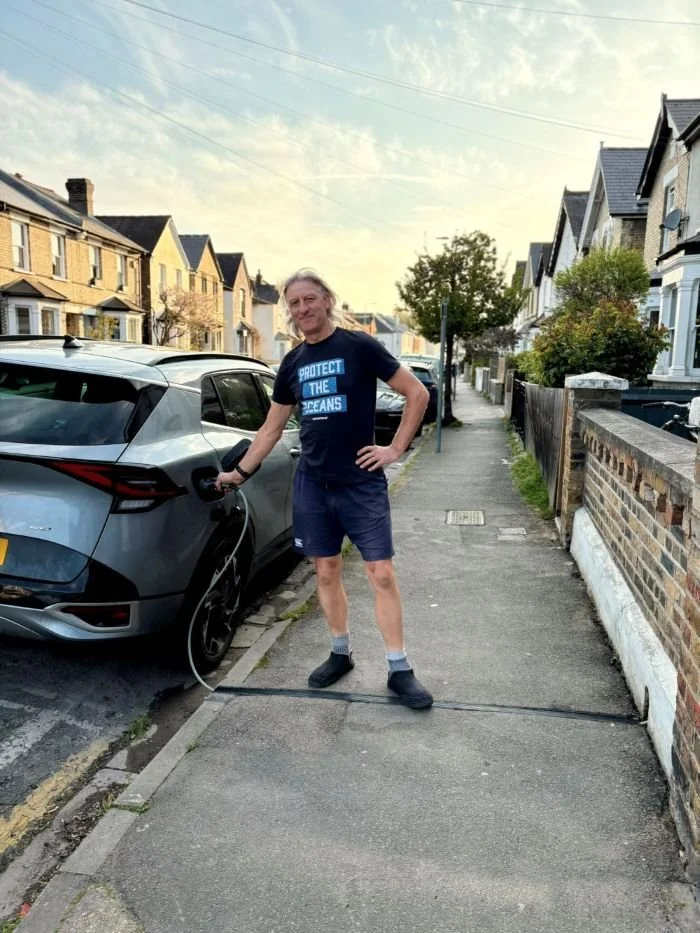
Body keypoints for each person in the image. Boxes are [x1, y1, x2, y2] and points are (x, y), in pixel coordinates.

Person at [216, 269, 433, 709]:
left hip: (360, 484)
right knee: (326, 571)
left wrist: (394, 449)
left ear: (327, 300)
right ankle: (340, 653)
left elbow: (417, 394)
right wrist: (238, 473)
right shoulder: (292, 363)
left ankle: (399, 668)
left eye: (310, 299)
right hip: (313, 484)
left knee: (381, 573)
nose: (303, 309)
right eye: (294, 304)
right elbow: (270, 430)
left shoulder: (359, 347)